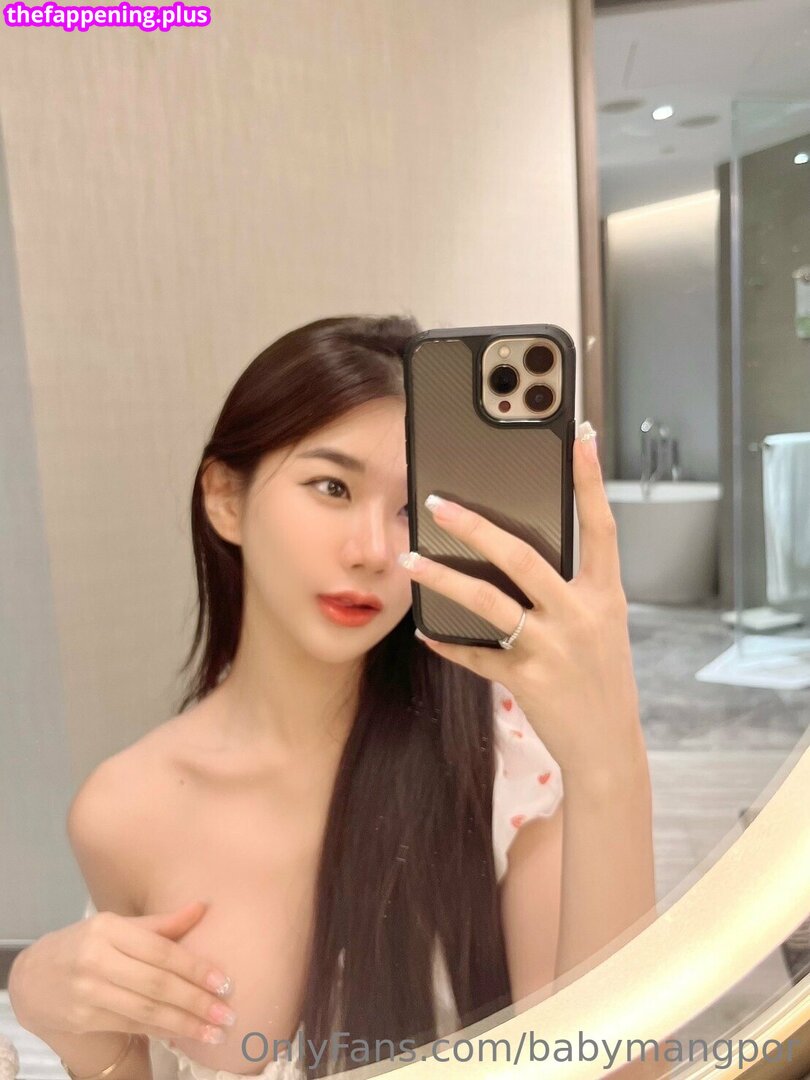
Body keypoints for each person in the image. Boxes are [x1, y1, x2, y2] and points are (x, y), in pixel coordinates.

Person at [9, 315, 657, 1080]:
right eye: (332, 487)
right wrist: (67, 1024)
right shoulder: (123, 810)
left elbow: (611, 1071)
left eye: (411, 510)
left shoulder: (502, 759)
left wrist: (610, 761)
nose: (373, 551)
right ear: (224, 499)